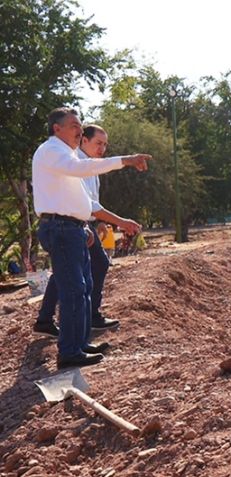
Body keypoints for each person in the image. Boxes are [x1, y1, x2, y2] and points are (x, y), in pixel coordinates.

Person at [32, 107, 151, 368]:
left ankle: (80, 344)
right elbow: (79, 171)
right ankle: (69, 352)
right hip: (61, 229)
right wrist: (126, 160)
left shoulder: (68, 155)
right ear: (57, 129)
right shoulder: (53, 151)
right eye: (74, 126)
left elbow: (84, 203)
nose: (79, 130)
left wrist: (84, 225)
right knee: (73, 290)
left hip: (72, 229)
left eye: (80, 125)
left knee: (83, 288)